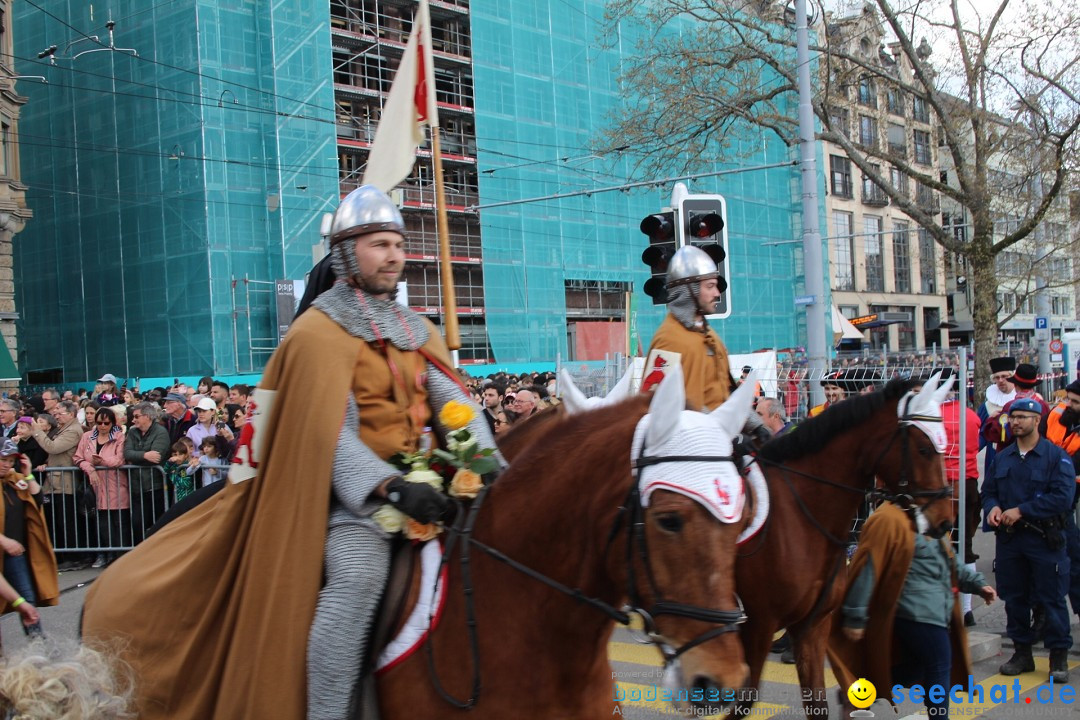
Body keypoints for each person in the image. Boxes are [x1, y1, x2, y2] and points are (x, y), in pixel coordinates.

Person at [82, 184, 500, 719]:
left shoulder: (418, 328)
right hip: (359, 504)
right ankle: (328, 713)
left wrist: (483, 465)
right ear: (347, 252)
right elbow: (322, 430)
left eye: (398, 243)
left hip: (434, 484)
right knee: (357, 581)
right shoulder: (316, 333)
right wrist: (391, 485)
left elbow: (453, 402)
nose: (394, 254)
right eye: (378, 243)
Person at [829, 501, 996, 719]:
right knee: (939, 664)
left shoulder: (928, 512)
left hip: (934, 611)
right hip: (916, 611)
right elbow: (868, 566)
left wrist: (977, 583)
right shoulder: (887, 517)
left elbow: (949, 559)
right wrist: (855, 615)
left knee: (917, 668)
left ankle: (860, 692)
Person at [983, 397, 1075, 682]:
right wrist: (993, 508)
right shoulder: (1003, 457)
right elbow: (989, 491)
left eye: (1023, 417)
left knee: (1052, 599)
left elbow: (1063, 498)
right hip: (1011, 542)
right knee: (1015, 598)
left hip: (1044, 540)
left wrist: (1022, 510)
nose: (1016, 422)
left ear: (1037, 421)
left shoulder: (1055, 457)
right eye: (1013, 417)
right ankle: (1022, 652)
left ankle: (1058, 656)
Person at [641, 245, 735, 411]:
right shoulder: (669, 340)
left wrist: (754, 425)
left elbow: (725, 390)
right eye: (710, 286)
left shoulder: (710, 335)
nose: (717, 293)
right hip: (693, 434)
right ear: (690, 290)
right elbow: (658, 407)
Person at [0, 438, 58, 637]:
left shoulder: (15, 480)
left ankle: (37, 643)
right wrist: (3, 540)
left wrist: (28, 473)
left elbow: (38, 499)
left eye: (9, 460)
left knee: (27, 597)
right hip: (4, 546)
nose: (6, 464)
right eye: (2, 459)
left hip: (15, 553)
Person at [72, 409, 129, 568]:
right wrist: (90, 469)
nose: (102, 426)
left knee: (119, 522)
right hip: (96, 485)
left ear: (112, 423)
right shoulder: (87, 436)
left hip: (116, 484)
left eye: (106, 423)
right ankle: (108, 555)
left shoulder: (119, 437)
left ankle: (121, 557)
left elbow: (120, 459)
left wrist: (102, 461)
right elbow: (78, 458)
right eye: (99, 423)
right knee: (103, 523)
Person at [1044, 379, 1080, 624]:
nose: (1068, 404)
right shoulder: (1061, 419)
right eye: (1068, 399)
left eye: (1075, 401)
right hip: (1063, 502)